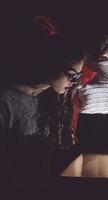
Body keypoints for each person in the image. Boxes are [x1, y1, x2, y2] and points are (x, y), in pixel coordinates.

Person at [0, 16, 85, 189]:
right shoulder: (6, 99)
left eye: (78, 76)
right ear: (53, 63)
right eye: (72, 74)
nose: (75, 82)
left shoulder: (54, 97)